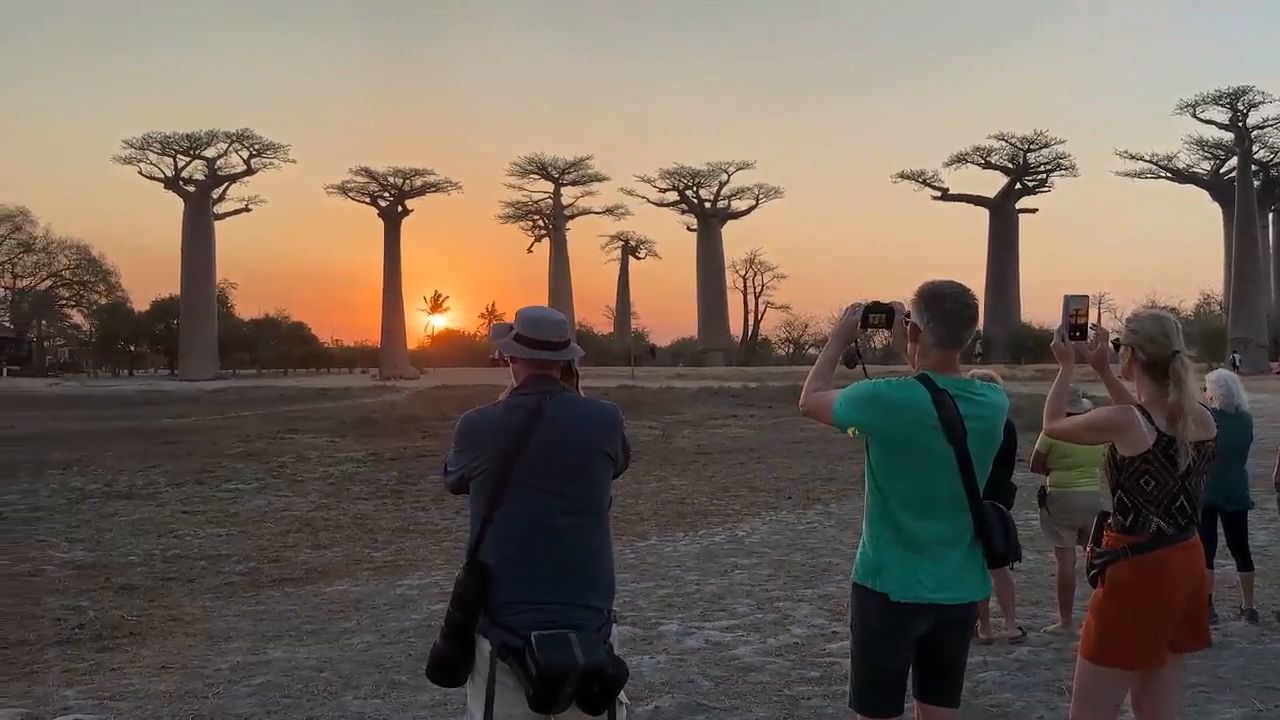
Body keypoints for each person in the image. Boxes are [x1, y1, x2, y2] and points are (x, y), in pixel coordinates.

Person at [800, 280, 1008, 720]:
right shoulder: (993, 401)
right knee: (939, 709)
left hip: (888, 584)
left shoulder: (885, 399)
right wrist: (910, 345)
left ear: (916, 332)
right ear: (969, 334)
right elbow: (936, 393)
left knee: (876, 711)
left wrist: (839, 339)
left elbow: (811, 401)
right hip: (958, 587)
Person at [442, 306, 632, 720]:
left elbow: (454, 480)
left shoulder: (477, 425)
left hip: (505, 623)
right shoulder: (604, 419)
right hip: (590, 619)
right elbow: (615, 465)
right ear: (568, 360)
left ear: (508, 357)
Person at [1043, 312, 1216, 720]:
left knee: (1089, 712)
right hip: (1186, 559)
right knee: (1156, 707)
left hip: (1136, 568)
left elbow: (1051, 425)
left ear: (1132, 354)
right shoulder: (1202, 417)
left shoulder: (1125, 421)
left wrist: (1066, 367)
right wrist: (1105, 371)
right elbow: (1144, 420)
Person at [1030, 390, 1107, 634]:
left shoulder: (1052, 432)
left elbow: (1035, 464)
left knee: (1065, 560)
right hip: (1092, 496)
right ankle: (1106, 614)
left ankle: (1065, 621)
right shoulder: (1097, 432)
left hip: (1061, 496)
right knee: (1098, 557)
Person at [966, 369, 1024, 644]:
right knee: (999, 565)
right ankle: (1011, 625)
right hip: (998, 500)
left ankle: (985, 627)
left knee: (975, 565)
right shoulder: (1007, 425)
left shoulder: (965, 423)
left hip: (970, 498)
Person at [1200, 368, 1257, 624]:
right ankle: (1249, 605)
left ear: (1214, 392)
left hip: (1208, 490)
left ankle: (1207, 604)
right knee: (1241, 548)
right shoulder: (1246, 419)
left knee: (1206, 550)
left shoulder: (1208, 419)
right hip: (1236, 487)